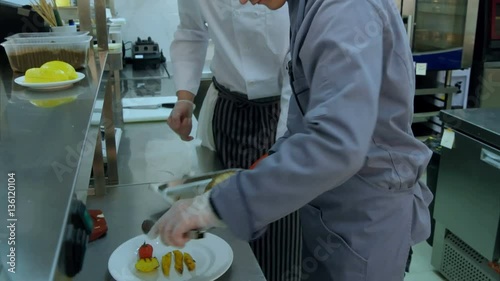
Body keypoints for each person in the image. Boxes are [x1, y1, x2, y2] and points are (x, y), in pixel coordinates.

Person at [153, 0, 434, 280]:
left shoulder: (345, 10)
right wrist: (276, 158)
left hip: (363, 214)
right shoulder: (307, 7)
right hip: (333, 205)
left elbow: (336, 144)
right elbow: (312, 112)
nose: (241, 1)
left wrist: (217, 206)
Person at [164, 0, 302, 279]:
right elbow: (191, 31)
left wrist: (281, 146)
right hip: (228, 114)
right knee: (225, 227)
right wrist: (185, 97)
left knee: (280, 228)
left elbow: (295, 61)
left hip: (282, 108)